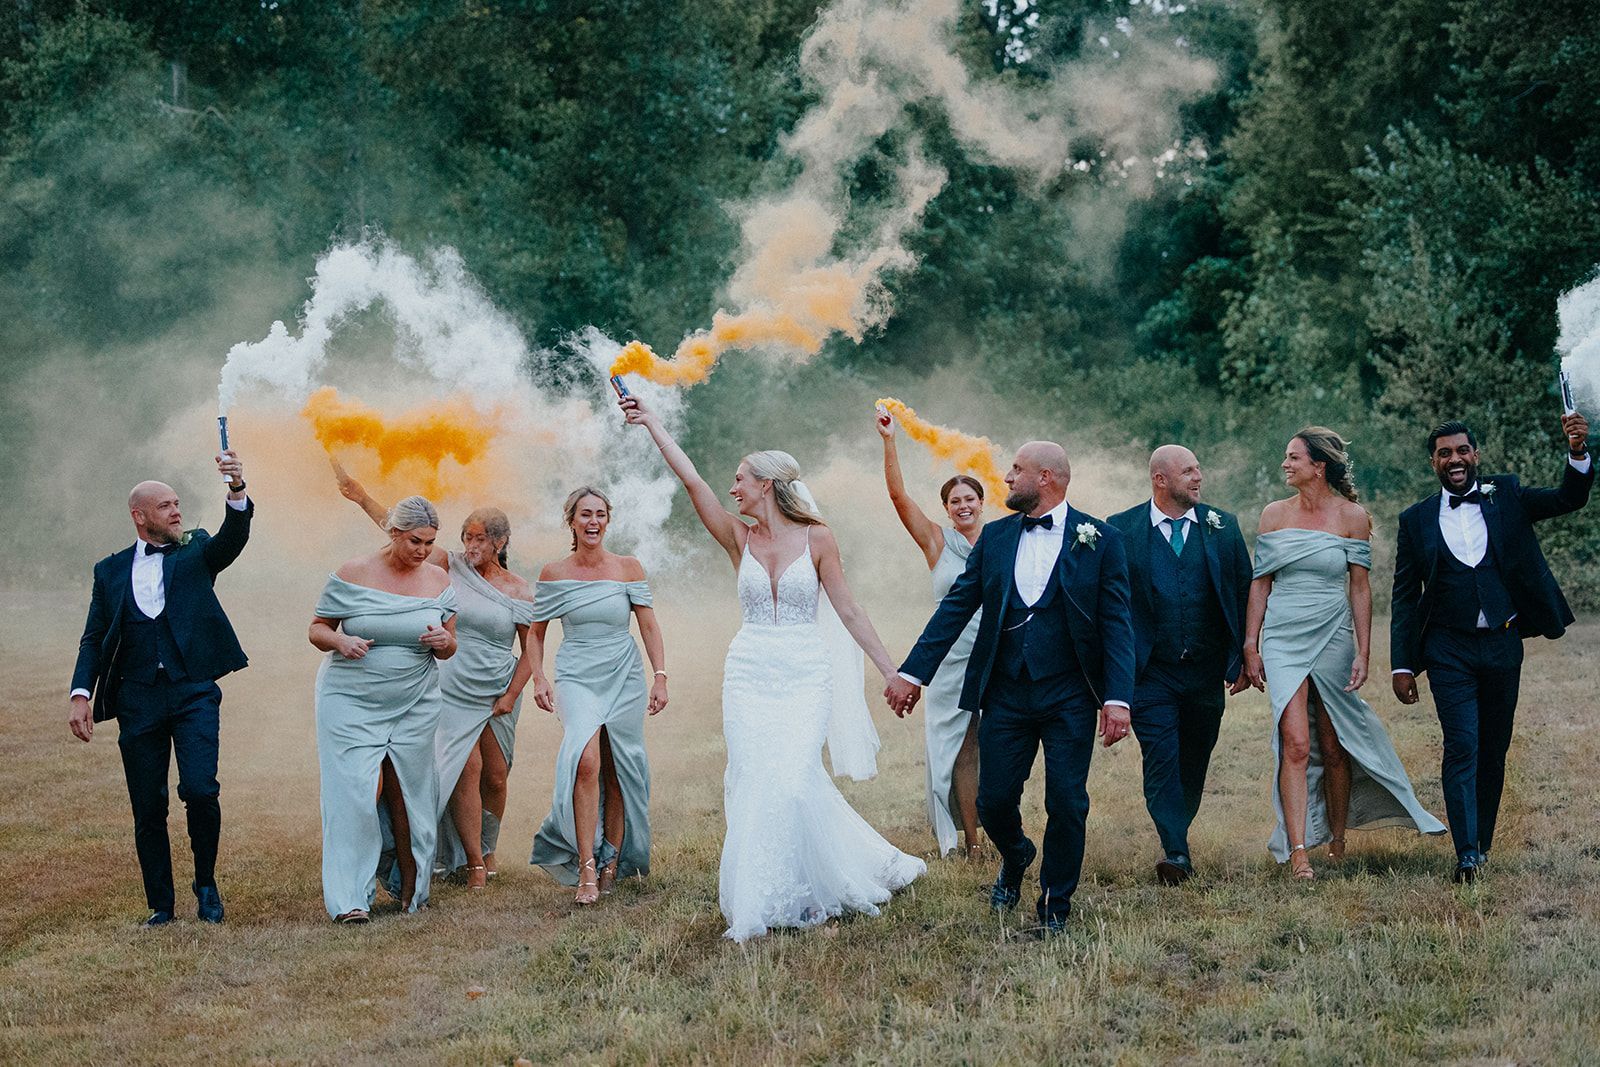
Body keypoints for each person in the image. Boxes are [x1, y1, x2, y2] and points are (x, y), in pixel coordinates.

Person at [620, 392, 925, 942]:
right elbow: (692, 482)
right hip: (749, 673)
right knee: (755, 778)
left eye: (740, 479)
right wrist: (652, 423)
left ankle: (823, 879)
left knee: (794, 779)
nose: (732, 487)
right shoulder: (738, 538)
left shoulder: (819, 538)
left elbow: (849, 610)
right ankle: (766, 896)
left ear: (766, 485)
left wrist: (890, 671)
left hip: (805, 671)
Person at [886, 441, 1137, 934]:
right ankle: (1017, 853)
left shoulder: (1102, 539)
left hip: (1070, 694)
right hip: (1005, 691)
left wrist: (1117, 698)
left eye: (1017, 470)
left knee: (1068, 802)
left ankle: (1055, 906)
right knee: (993, 801)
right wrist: (913, 673)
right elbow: (956, 606)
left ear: (1046, 478)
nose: (1006, 478)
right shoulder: (996, 538)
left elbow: (1118, 623)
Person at [1391, 414, 1593, 883]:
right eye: (1444, 453)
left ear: (1475, 455)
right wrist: (1402, 664)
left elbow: (1569, 498)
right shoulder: (1415, 520)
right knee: (1462, 744)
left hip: (1502, 642)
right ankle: (1465, 854)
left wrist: (1577, 451)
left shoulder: (1508, 495)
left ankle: (1481, 843)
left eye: (1462, 450)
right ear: (1433, 462)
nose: (1455, 459)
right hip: (1447, 649)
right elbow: (1403, 596)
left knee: (1493, 748)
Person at [1243, 429, 1445, 881]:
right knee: (1296, 742)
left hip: (1334, 633)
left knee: (1335, 744)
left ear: (1319, 466)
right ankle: (1298, 851)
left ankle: (1337, 840)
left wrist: (1363, 652)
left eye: (1293, 457)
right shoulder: (1273, 515)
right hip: (1283, 636)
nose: (1285, 464)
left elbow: (1359, 589)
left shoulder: (1352, 517)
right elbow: (1260, 583)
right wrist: (1250, 643)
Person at [69, 450, 253, 926]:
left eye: (177, 504)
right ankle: (161, 906)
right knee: (148, 807)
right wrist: (80, 694)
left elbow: (233, 537)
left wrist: (236, 488)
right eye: (166, 506)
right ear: (140, 516)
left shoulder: (196, 551)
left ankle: (206, 884)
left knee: (201, 789)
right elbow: (93, 637)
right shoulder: (108, 571)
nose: (176, 512)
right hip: (138, 699)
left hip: (193, 693)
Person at [332, 462, 534, 889]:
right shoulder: (449, 565)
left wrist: (512, 694)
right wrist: (362, 497)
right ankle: (473, 862)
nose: (471, 545)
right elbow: (404, 532)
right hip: (452, 683)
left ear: (500, 542)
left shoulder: (518, 588)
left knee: (496, 775)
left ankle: (487, 847)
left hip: (497, 687)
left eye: (481, 538)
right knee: (464, 768)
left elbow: (531, 648)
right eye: (467, 537)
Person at [1106, 445, 1254, 885]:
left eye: (1198, 469)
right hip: (1151, 673)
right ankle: (1176, 851)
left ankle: (1177, 834)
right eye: (1188, 471)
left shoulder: (1223, 526)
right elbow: (1110, 604)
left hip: (1205, 671)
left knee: (1194, 759)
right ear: (1160, 479)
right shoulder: (1122, 529)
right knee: (1161, 758)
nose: (1198, 477)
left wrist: (1242, 656)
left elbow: (1243, 592)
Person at [310, 495, 458, 922]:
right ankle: (351, 900)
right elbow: (317, 628)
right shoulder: (353, 573)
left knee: (411, 794)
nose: (423, 551)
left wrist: (445, 642)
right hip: (350, 701)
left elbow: (451, 645)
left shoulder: (438, 580)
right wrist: (341, 641)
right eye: (415, 541)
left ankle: (411, 889)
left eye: (430, 542)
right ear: (394, 532)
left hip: (414, 701)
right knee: (355, 794)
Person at [528, 487, 667, 905]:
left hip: (624, 672)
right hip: (576, 674)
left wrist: (660, 677)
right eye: (585, 514)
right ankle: (586, 865)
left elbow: (648, 626)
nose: (593, 522)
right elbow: (536, 633)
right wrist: (539, 677)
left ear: (608, 520)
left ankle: (612, 861)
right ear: (571, 521)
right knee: (586, 760)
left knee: (619, 765)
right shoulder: (554, 572)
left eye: (601, 514)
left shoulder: (628, 567)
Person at [875, 407, 986, 859]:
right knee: (957, 749)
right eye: (954, 501)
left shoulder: (1001, 541)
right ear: (946, 509)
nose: (963, 506)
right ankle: (969, 841)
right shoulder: (937, 542)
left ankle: (999, 829)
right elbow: (898, 496)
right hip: (949, 661)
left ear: (982, 502)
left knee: (996, 745)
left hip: (995, 655)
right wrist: (889, 441)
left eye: (969, 498)